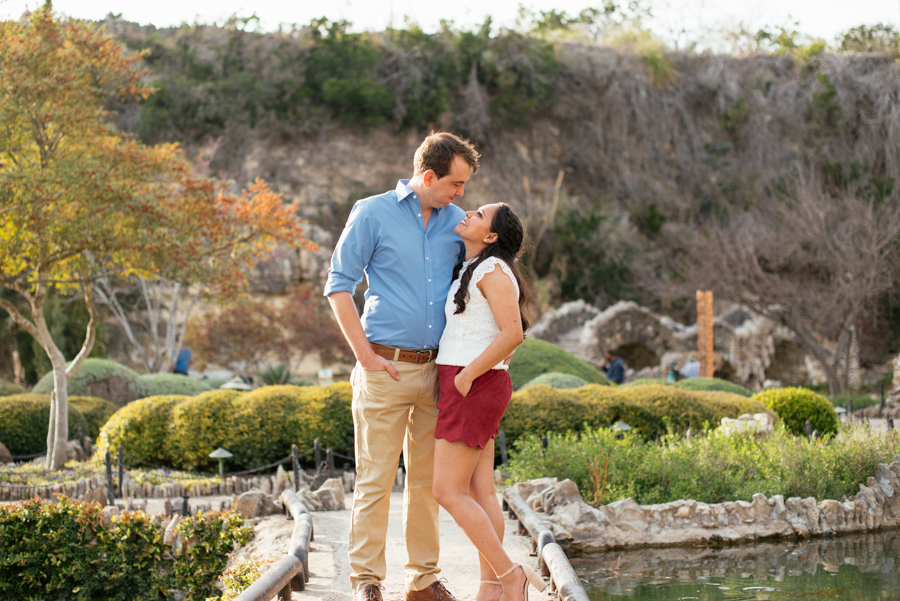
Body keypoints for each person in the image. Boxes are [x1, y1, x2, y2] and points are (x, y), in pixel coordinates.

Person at [324, 132, 479, 601]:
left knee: (428, 483)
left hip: (439, 373)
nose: (461, 194)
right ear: (428, 176)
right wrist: (365, 358)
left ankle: (423, 579)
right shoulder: (371, 212)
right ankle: (367, 581)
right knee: (375, 479)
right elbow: (338, 286)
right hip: (384, 368)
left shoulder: (458, 223)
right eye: (455, 183)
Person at [432, 203, 546, 601]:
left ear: (491, 235)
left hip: (471, 383)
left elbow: (512, 332)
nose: (469, 212)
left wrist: (466, 375)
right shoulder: (474, 267)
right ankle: (491, 586)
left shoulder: (492, 271)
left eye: (479, 214)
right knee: (481, 490)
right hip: (470, 381)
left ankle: (509, 574)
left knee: (446, 490)